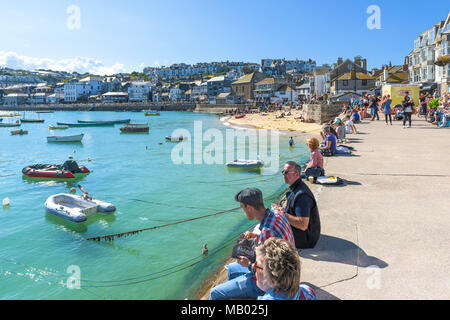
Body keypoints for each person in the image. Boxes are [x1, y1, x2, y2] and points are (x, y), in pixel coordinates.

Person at [209, 188, 295, 300]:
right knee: (231, 268)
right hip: (290, 272)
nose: (243, 211)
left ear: (249, 207)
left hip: (273, 283)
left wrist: (249, 264)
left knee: (215, 293)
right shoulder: (277, 214)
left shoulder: (267, 232)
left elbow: (267, 272)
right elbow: (275, 241)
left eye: (242, 207)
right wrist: (257, 237)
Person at [277, 161, 321, 250]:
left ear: (297, 174)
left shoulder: (302, 195)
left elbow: (303, 224)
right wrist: (283, 209)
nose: (283, 174)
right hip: (307, 234)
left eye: (286, 172)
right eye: (283, 172)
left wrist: (282, 214)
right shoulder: (296, 188)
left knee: (271, 234)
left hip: (306, 240)